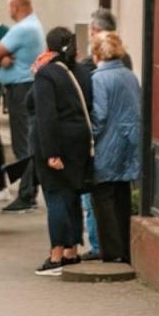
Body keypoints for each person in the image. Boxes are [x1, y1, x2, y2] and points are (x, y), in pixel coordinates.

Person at [32, 27, 94, 276]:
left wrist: (51, 153)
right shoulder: (83, 72)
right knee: (72, 194)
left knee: (56, 195)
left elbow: (46, 116)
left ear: (48, 48)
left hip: (58, 141)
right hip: (80, 140)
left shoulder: (46, 75)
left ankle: (56, 255)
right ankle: (72, 250)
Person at [88, 31, 140, 264]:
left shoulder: (98, 79)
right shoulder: (129, 75)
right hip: (130, 143)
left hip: (107, 145)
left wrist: (90, 139)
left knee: (103, 197)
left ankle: (112, 251)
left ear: (97, 52)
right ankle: (126, 249)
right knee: (122, 196)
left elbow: (99, 115)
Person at [0, 0, 44, 213]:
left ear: (16, 7)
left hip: (20, 89)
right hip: (27, 87)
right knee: (27, 140)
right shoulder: (34, 26)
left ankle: (26, 194)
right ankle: (28, 191)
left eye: (10, 7)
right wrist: (4, 58)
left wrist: (2, 57)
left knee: (22, 143)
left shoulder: (22, 29)